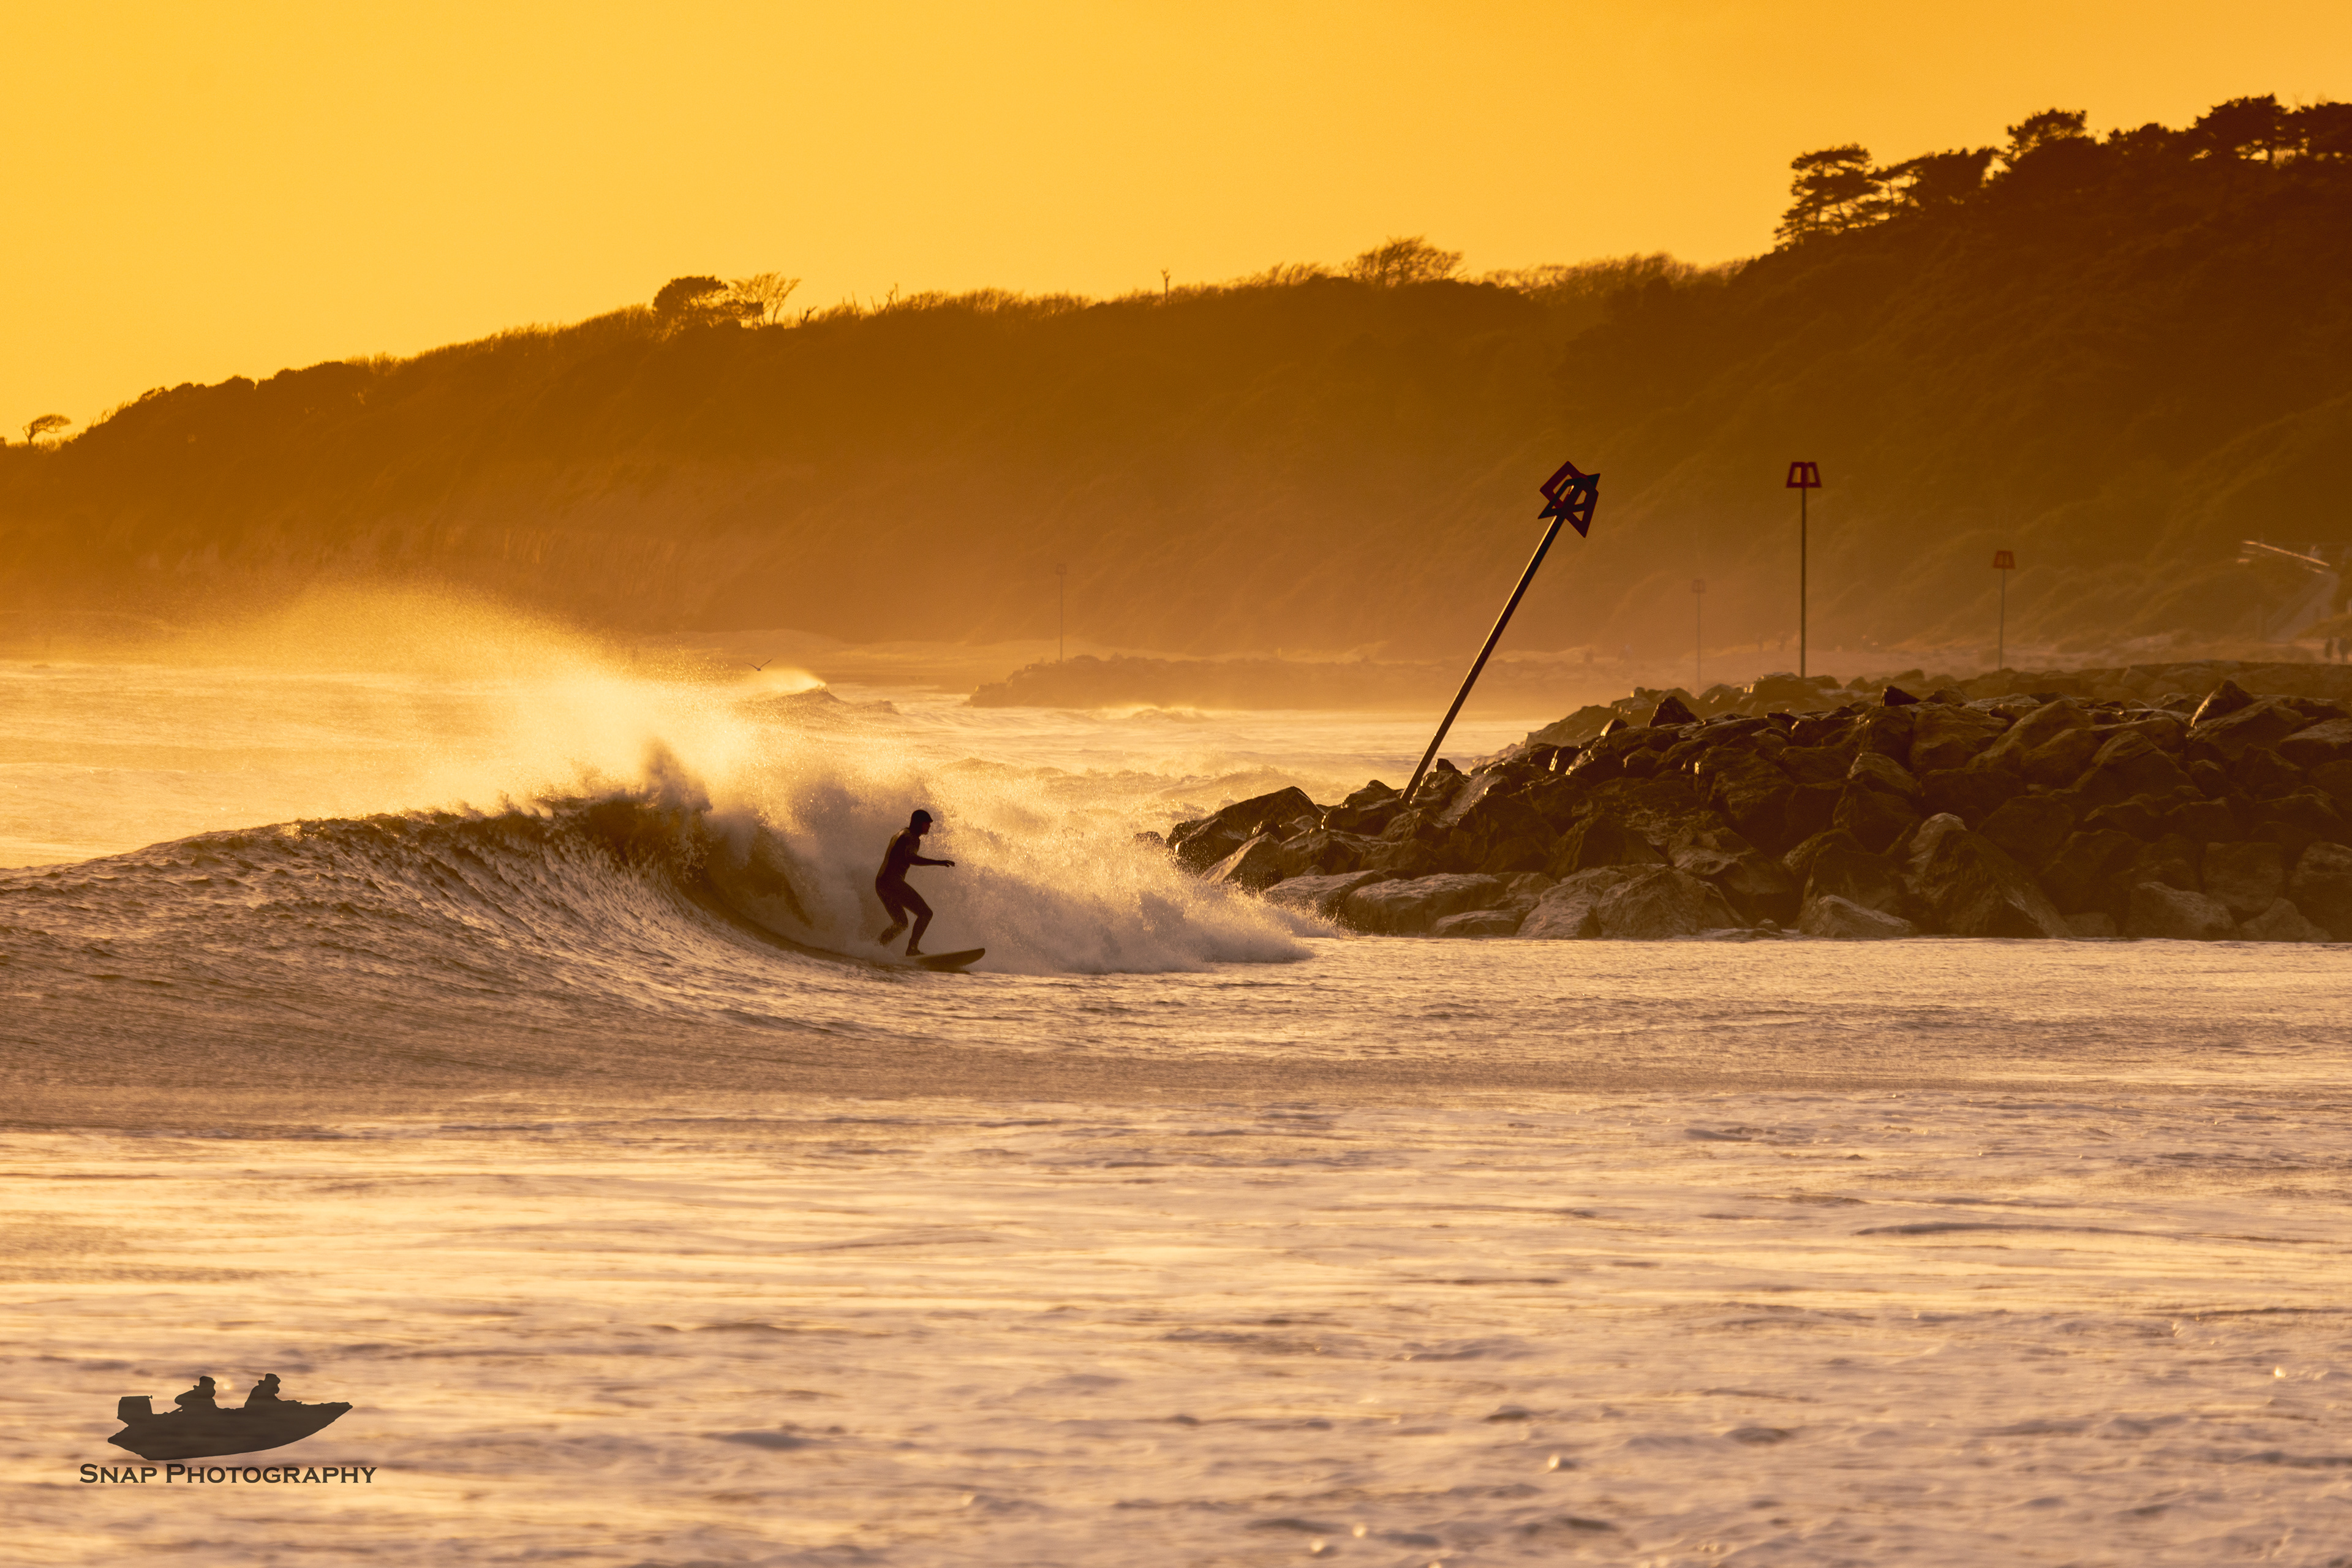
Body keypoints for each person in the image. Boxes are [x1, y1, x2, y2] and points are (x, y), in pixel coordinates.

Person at [874, 809, 954, 956]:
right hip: (892, 882)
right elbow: (911, 858)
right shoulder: (911, 838)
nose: (929, 827)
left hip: (881, 883)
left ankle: (876, 949)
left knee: (902, 924)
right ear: (918, 823)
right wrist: (939, 862)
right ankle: (912, 949)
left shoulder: (902, 833)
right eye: (927, 824)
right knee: (926, 914)